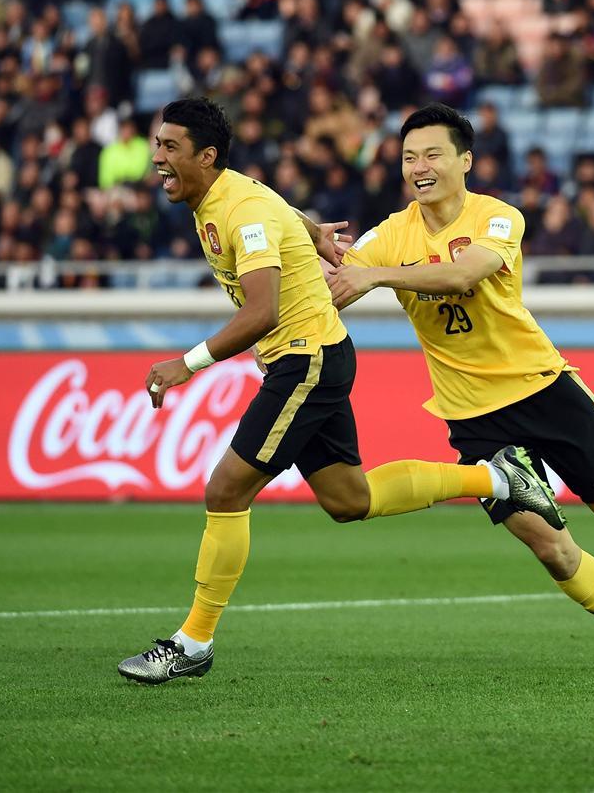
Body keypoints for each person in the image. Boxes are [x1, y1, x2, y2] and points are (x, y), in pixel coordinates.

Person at [117, 98, 561, 685]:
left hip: (305, 362)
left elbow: (261, 311)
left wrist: (188, 363)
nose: (158, 160)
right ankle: (498, 477)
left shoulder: (240, 212)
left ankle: (192, 642)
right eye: (157, 146)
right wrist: (312, 230)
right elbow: (275, 204)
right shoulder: (233, 194)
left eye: (170, 148)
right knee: (348, 500)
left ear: (207, 156)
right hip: (312, 359)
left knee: (226, 489)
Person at [327, 103, 594, 676]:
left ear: (465, 160)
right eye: (409, 156)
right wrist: (301, 254)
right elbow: (339, 279)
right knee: (548, 545)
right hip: (473, 417)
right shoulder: (391, 233)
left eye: (432, 153)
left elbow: (466, 273)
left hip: (542, 390)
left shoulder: (498, 218)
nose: (419, 166)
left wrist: (375, 275)